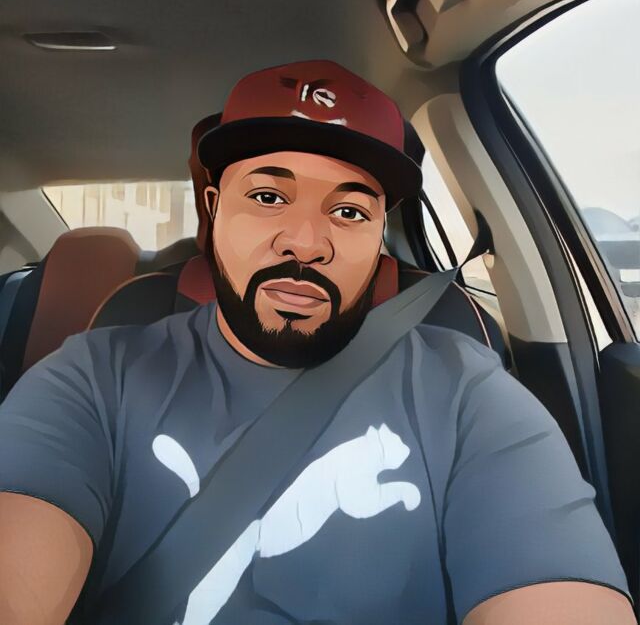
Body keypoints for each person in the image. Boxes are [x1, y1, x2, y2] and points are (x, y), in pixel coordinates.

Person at [0, 61, 634, 625]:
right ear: (214, 210)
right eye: (268, 196)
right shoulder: (93, 378)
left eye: (350, 211)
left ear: (380, 234)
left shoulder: (468, 394)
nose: (305, 243)